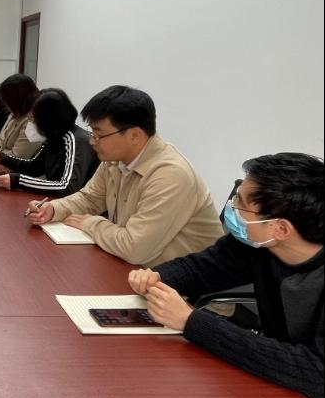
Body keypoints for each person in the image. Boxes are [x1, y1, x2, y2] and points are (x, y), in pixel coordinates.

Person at [128, 153, 324, 398]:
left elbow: (315, 372)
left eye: (241, 204)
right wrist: (156, 277)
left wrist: (192, 322)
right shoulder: (257, 245)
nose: (231, 206)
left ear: (281, 229)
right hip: (276, 383)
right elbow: (201, 269)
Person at [28, 85, 223, 267]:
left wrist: (90, 223)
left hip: (184, 287)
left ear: (134, 135)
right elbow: (89, 198)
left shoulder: (171, 175)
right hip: (139, 271)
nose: (92, 141)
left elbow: (134, 248)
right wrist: (54, 208)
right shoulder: (114, 160)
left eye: (99, 135)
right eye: (92, 133)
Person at [0, 88, 99, 195]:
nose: (32, 122)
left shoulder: (74, 140)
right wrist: (3, 158)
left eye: (35, 118)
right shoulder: (55, 136)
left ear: (47, 119)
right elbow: (35, 166)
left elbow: (68, 187)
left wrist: (19, 181)